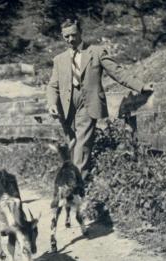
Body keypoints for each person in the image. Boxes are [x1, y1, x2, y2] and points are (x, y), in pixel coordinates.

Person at [46, 18, 154, 180]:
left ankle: (77, 185)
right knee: (72, 143)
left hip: (88, 103)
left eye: (74, 35)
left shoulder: (96, 52)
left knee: (82, 143)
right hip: (66, 106)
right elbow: (52, 85)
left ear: (81, 32)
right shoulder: (59, 59)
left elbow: (117, 72)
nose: (71, 40)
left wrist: (141, 86)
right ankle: (72, 180)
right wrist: (52, 103)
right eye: (66, 37)